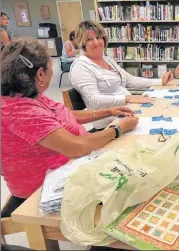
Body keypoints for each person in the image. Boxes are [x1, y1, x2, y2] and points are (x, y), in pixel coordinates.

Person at [1, 38, 139, 212]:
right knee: (133, 185)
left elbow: (62, 116)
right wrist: (118, 128)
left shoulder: (29, 94)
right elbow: (77, 147)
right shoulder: (21, 111)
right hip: (47, 188)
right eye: (52, 68)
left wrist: (109, 112)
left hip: (71, 166)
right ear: (40, 75)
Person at [70, 20, 173, 130]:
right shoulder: (81, 66)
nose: (97, 42)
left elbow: (130, 79)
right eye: (90, 39)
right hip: (108, 125)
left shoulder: (107, 59)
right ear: (82, 43)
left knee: (167, 111)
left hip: (126, 112)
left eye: (99, 37)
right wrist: (128, 98)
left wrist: (160, 81)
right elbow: (94, 99)